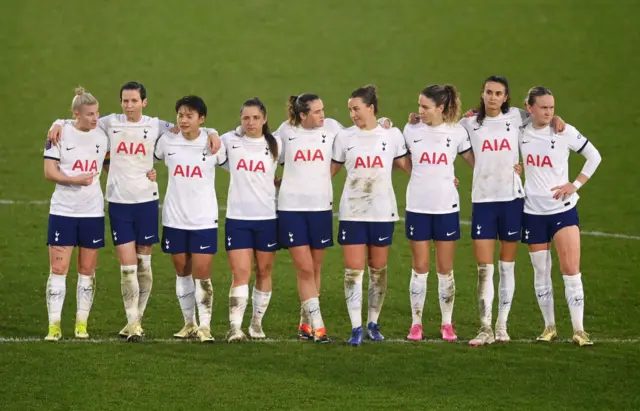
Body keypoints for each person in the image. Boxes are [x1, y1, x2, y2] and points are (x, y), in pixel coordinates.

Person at [47, 81, 221, 341]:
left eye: (134, 101)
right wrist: (57, 122)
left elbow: (187, 128)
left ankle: (136, 321)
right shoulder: (108, 123)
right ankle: (132, 321)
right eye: (125, 101)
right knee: (127, 266)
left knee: (144, 264)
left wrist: (213, 132)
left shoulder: (155, 125)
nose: (129, 105)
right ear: (121, 103)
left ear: (144, 102)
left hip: (147, 202)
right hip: (118, 203)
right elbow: (81, 117)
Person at [275, 95, 393, 342]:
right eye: (317, 111)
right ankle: (319, 327)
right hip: (291, 208)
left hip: (321, 209)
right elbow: (262, 148)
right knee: (305, 268)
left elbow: (362, 129)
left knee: (315, 267)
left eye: (323, 109)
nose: (323, 115)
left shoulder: (332, 129)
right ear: (302, 115)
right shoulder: (286, 132)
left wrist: (383, 120)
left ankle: (304, 324)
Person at [459, 75, 564, 346]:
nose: (493, 97)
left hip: (512, 200)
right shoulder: (469, 123)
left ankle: (502, 325)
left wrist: (557, 119)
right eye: (489, 92)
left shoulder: (518, 117)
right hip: (483, 200)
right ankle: (485, 328)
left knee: (507, 266)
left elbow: (542, 116)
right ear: (482, 94)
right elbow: (449, 138)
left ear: (506, 97)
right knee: (485, 268)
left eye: (499, 93)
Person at [519, 86, 601, 347]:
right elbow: (499, 117)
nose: (549, 112)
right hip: (532, 211)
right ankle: (549, 327)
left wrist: (573, 185)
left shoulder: (564, 131)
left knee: (570, 270)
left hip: (563, 211)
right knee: (541, 272)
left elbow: (594, 156)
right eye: (543, 107)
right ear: (529, 108)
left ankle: (579, 330)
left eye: (552, 107)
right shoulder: (519, 130)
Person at [330, 85, 409, 346]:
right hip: (352, 211)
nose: (352, 114)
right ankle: (355, 327)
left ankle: (373, 322)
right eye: (350, 109)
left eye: (356, 108)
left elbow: (408, 166)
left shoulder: (392, 135)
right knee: (353, 272)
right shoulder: (344, 137)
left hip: (382, 212)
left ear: (371, 108)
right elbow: (329, 171)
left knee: (378, 270)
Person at [402, 84, 474, 342]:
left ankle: (447, 323)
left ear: (440, 108)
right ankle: (416, 323)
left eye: (425, 107)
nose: (419, 111)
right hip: (418, 207)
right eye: (419, 105)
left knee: (445, 269)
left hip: (446, 207)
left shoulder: (457, 133)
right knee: (419, 268)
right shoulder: (410, 130)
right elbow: (403, 161)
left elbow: (475, 162)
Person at [154, 95, 227, 343]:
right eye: (181, 115)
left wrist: (213, 132)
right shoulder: (167, 141)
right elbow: (145, 158)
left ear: (201, 119)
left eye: (190, 116)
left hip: (204, 220)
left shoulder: (213, 144)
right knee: (182, 272)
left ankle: (205, 326)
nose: (184, 120)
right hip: (174, 219)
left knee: (202, 273)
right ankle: (189, 323)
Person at [43, 88, 109, 341]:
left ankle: (81, 324)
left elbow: (111, 164)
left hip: (92, 212)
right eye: (90, 114)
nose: (95, 118)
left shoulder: (102, 135)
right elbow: (49, 172)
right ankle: (54, 325)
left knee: (87, 270)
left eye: (97, 113)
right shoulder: (57, 134)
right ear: (75, 114)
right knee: (58, 269)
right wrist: (75, 180)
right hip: (63, 211)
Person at [221, 98, 281, 342]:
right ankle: (235, 327)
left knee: (264, 271)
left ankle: (256, 323)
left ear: (264, 119)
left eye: (256, 117)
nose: (250, 122)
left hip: (267, 218)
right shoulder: (230, 141)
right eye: (246, 118)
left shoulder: (276, 144)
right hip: (237, 218)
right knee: (241, 272)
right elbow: (205, 138)